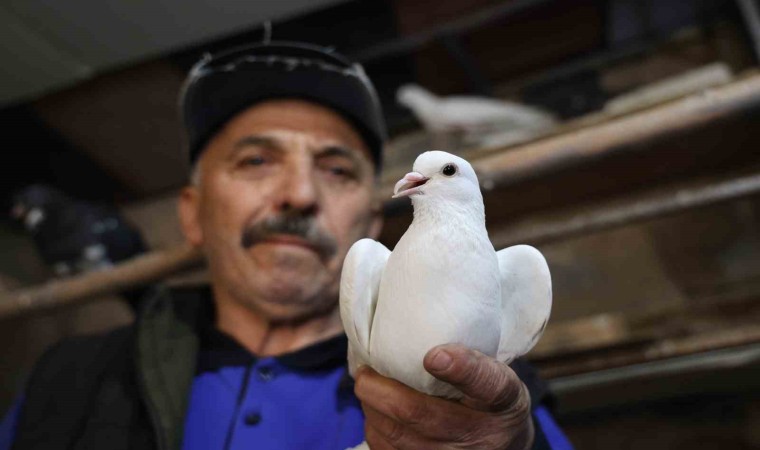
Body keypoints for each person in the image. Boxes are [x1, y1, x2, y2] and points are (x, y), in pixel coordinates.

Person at [0, 41, 573, 450]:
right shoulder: (69, 378)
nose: (299, 194)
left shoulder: (494, 396)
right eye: (256, 161)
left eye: (337, 170)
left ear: (373, 221)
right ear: (192, 214)